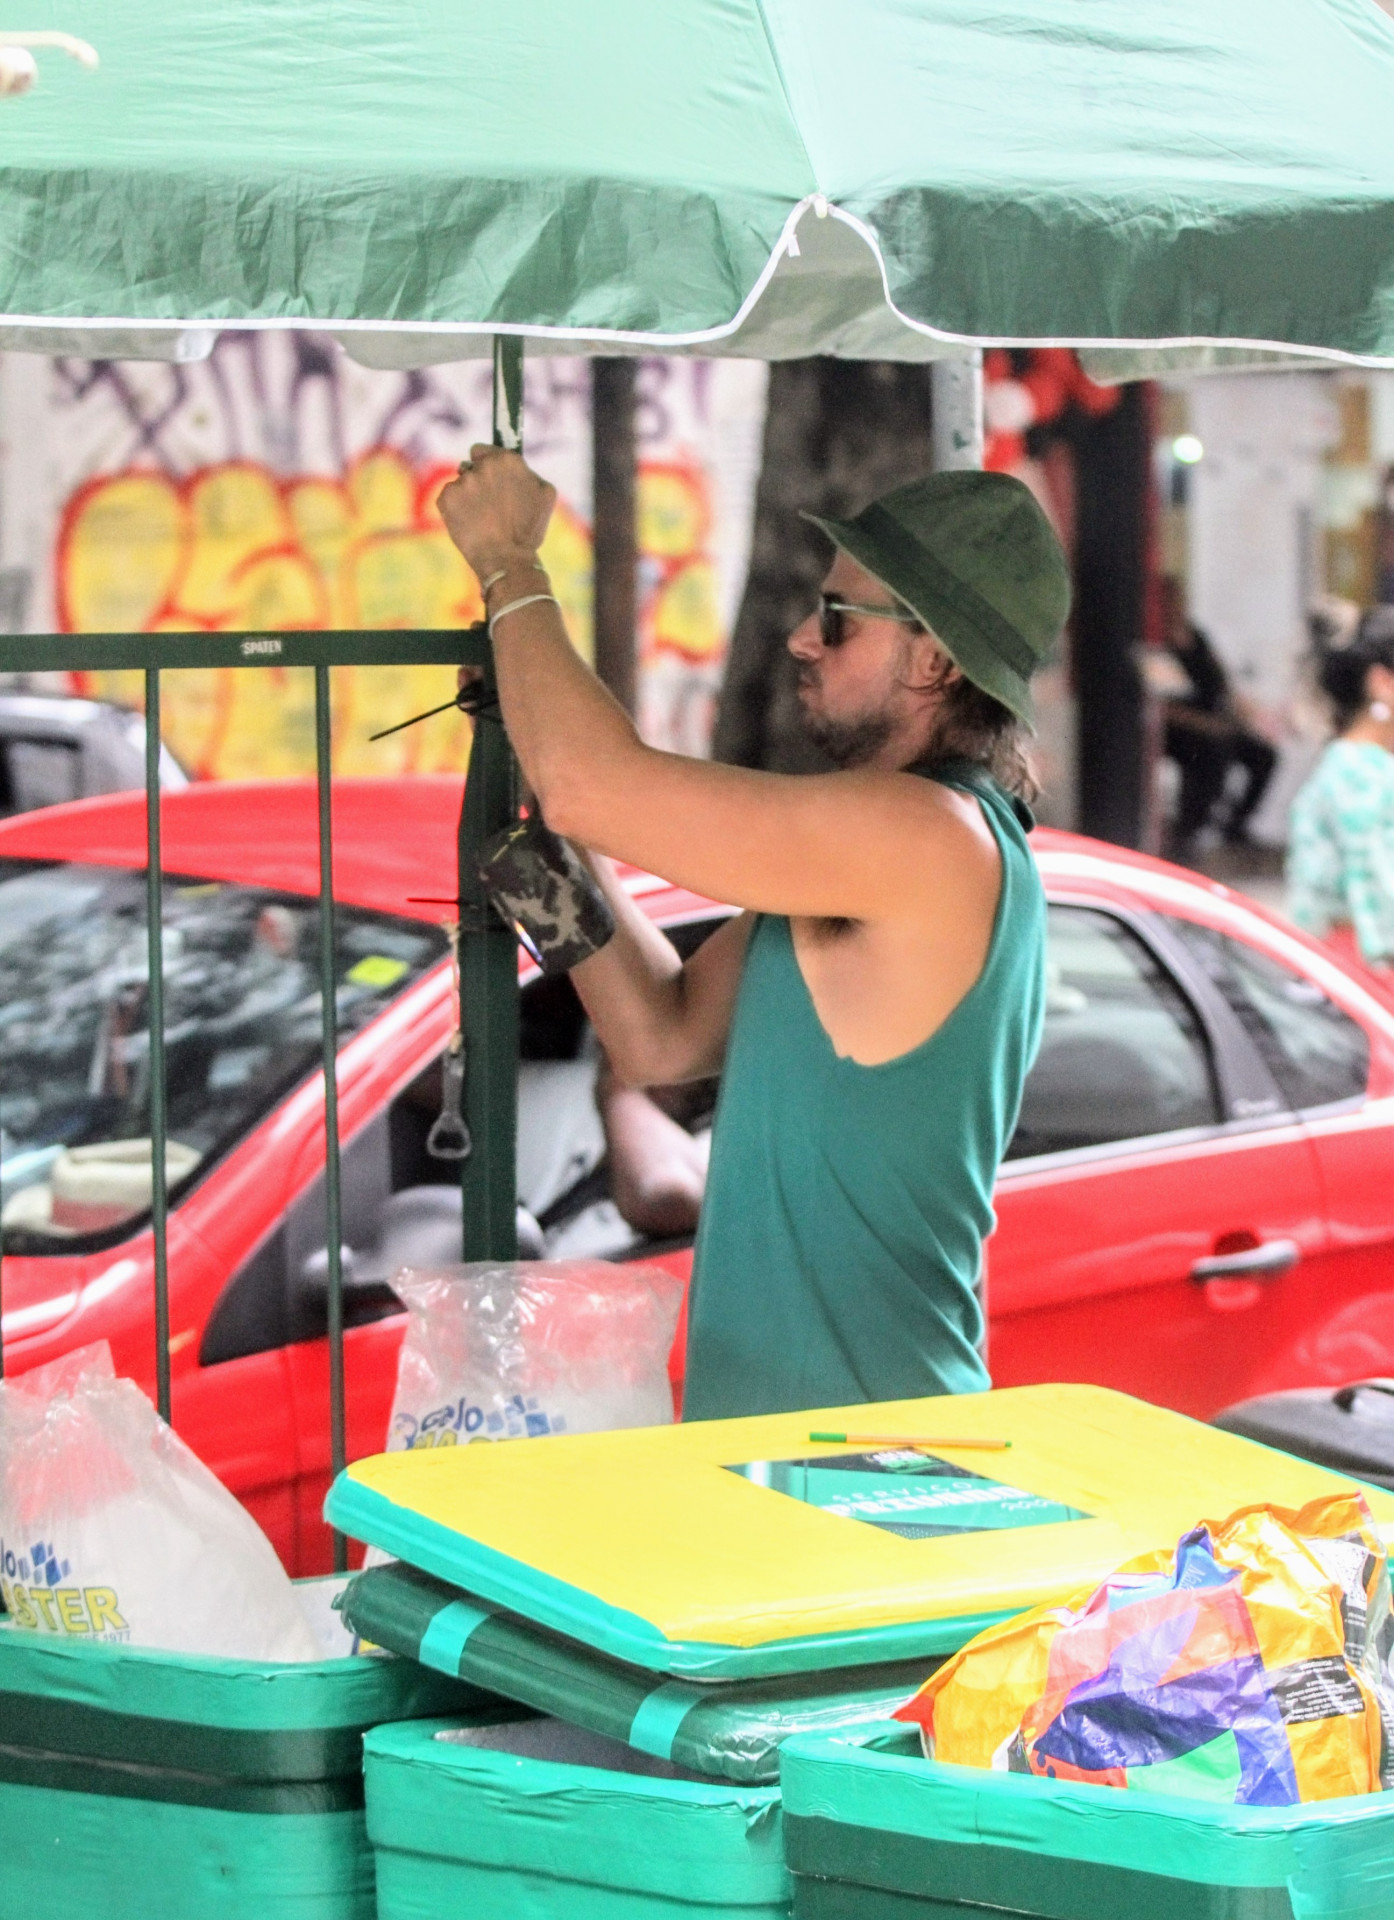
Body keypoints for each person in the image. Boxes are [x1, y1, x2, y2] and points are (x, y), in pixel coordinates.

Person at [437, 451, 1067, 1419]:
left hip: (867, 1448)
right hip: (791, 1441)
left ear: (935, 662)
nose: (800, 640)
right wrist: (552, 852)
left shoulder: (924, 837)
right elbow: (660, 1036)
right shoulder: (876, 846)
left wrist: (507, 564)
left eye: (835, 620)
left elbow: (594, 785)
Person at [1288, 613, 1394, 975]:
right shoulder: (1366, 778)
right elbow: (1380, 900)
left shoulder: (1344, 767)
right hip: (1368, 978)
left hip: (1334, 973)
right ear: (1382, 683)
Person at [1159, 581, 1276, 856]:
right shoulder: (1158, 642)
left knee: (1263, 755)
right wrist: (1207, 725)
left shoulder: (1197, 636)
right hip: (1182, 729)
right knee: (1212, 755)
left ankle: (1236, 825)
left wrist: (1246, 717)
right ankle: (1188, 833)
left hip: (1216, 722)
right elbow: (1161, 705)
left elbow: (1223, 681)